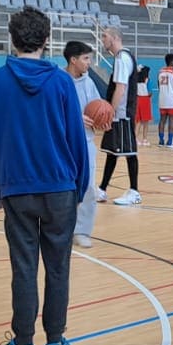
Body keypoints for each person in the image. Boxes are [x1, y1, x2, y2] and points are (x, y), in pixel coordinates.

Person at [0, 7, 91, 345]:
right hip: (60, 188)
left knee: (24, 267)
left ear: (12, 38)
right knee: (59, 267)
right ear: (47, 39)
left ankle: (23, 344)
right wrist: (79, 187)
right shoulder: (62, 82)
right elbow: (76, 138)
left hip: (16, 189)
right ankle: (55, 342)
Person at [64, 41, 102, 248]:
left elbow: (98, 109)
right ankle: (62, 230)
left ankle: (82, 231)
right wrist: (75, 118)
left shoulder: (89, 83)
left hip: (86, 143)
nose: (89, 63)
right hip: (63, 144)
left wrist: (102, 120)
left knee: (88, 188)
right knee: (64, 189)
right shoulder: (59, 81)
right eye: (86, 58)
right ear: (73, 60)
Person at [98, 27, 141, 205]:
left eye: (105, 36)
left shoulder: (122, 58)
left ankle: (134, 191)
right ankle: (102, 189)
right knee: (112, 151)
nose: (102, 39)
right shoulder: (120, 57)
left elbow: (120, 89)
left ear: (115, 38)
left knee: (130, 152)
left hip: (122, 113)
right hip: (119, 113)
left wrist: (110, 111)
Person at [156, 53, 173, 148]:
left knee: (162, 120)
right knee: (172, 121)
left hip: (162, 99)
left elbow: (159, 86)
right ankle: (170, 142)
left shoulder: (160, 72)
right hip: (172, 100)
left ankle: (161, 141)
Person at [133, 65, 153, 146]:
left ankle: (135, 138)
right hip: (145, 100)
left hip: (137, 99)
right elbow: (150, 92)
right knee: (146, 122)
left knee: (138, 121)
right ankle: (145, 139)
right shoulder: (147, 80)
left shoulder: (135, 80)